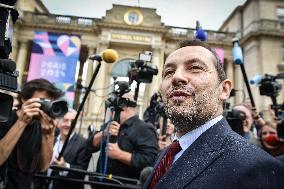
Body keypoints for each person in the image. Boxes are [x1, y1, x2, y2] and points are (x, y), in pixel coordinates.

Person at [143, 39, 284, 189]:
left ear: (224, 90)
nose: (176, 77)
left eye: (195, 68)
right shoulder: (167, 153)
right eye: (169, 72)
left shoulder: (257, 167)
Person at [0, 79, 63, 189]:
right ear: (24, 99)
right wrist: (22, 122)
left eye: (50, 102)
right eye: (42, 101)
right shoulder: (4, 119)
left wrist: (48, 135)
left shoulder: (44, 127)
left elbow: (43, 167)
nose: (46, 106)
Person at [88, 93, 158, 183]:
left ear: (123, 107)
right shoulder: (110, 124)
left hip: (125, 184)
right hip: (102, 182)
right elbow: (89, 145)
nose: (110, 113)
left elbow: (149, 160)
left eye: (112, 109)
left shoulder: (144, 128)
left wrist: (119, 154)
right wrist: (104, 134)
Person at [47, 109, 91, 189]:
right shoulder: (51, 140)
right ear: (58, 123)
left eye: (72, 121)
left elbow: (81, 172)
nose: (69, 124)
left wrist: (65, 167)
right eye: (65, 120)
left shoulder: (83, 143)